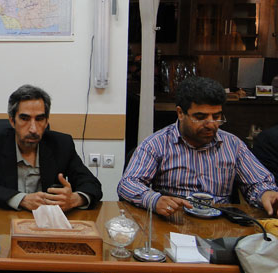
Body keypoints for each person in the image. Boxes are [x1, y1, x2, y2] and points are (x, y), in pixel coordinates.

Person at [118, 77, 278, 216]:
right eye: (200, 117)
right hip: (173, 220)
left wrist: (266, 194)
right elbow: (128, 183)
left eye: (216, 116)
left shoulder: (233, 145)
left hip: (221, 224)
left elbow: (258, 183)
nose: (211, 124)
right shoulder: (157, 144)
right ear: (180, 113)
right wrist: (154, 200)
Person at [0, 84, 102, 211]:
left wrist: (74, 199)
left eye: (39, 119)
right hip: (7, 219)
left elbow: (91, 184)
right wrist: (22, 200)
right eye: (25, 118)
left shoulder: (62, 144)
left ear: (46, 122)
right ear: (12, 121)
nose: (33, 129)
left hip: (49, 219)